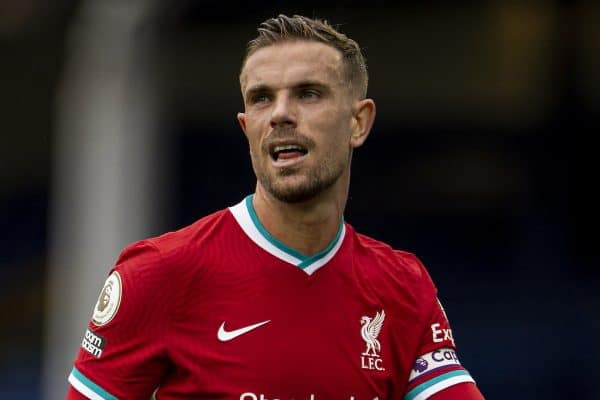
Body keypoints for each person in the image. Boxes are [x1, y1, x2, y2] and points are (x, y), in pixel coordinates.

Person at [66, 14, 485, 400]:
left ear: (359, 122)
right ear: (247, 127)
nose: (281, 114)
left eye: (308, 93)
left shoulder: (402, 287)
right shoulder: (157, 273)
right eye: (262, 98)